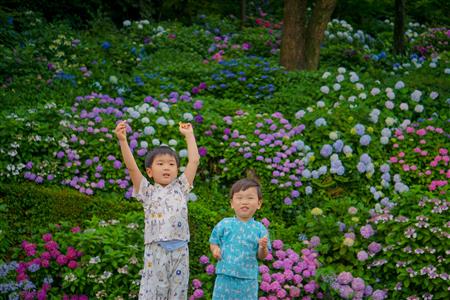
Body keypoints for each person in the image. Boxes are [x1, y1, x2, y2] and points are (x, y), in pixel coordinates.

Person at [115, 120, 200, 300]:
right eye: (160, 163)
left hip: (180, 250)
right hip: (156, 249)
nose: (166, 167)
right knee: (154, 293)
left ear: (177, 169)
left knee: (177, 294)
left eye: (171, 164)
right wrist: (123, 141)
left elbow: (194, 160)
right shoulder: (147, 191)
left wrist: (189, 135)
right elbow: (131, 167)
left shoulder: (182, 187)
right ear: (150, 171)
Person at [209, 178, 270, 300]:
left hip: (248, 280)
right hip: (224, 277)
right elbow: (214, 241)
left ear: (259, 203)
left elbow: (262, 256)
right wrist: (215, 250)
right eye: (240, 198)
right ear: (232, 203)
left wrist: (262, 247)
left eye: (250, 198)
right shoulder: (224, 224)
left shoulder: (260, 229)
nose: (244, 202)